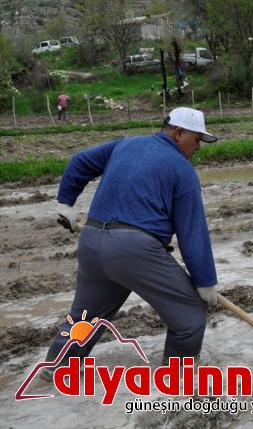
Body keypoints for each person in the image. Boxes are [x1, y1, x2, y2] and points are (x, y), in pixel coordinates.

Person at [44, 107, 219, 377]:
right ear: (179, 133)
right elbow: (192, 232)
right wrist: (205, 281)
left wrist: (65, 203)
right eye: (196, 139)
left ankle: (55, 372)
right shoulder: (183, 171)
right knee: (191, 312)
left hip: (92, 243)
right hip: (133, 251)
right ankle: (177, 378)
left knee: (85, 319)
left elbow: (79, 161)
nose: (198, 148)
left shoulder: (125, 145)